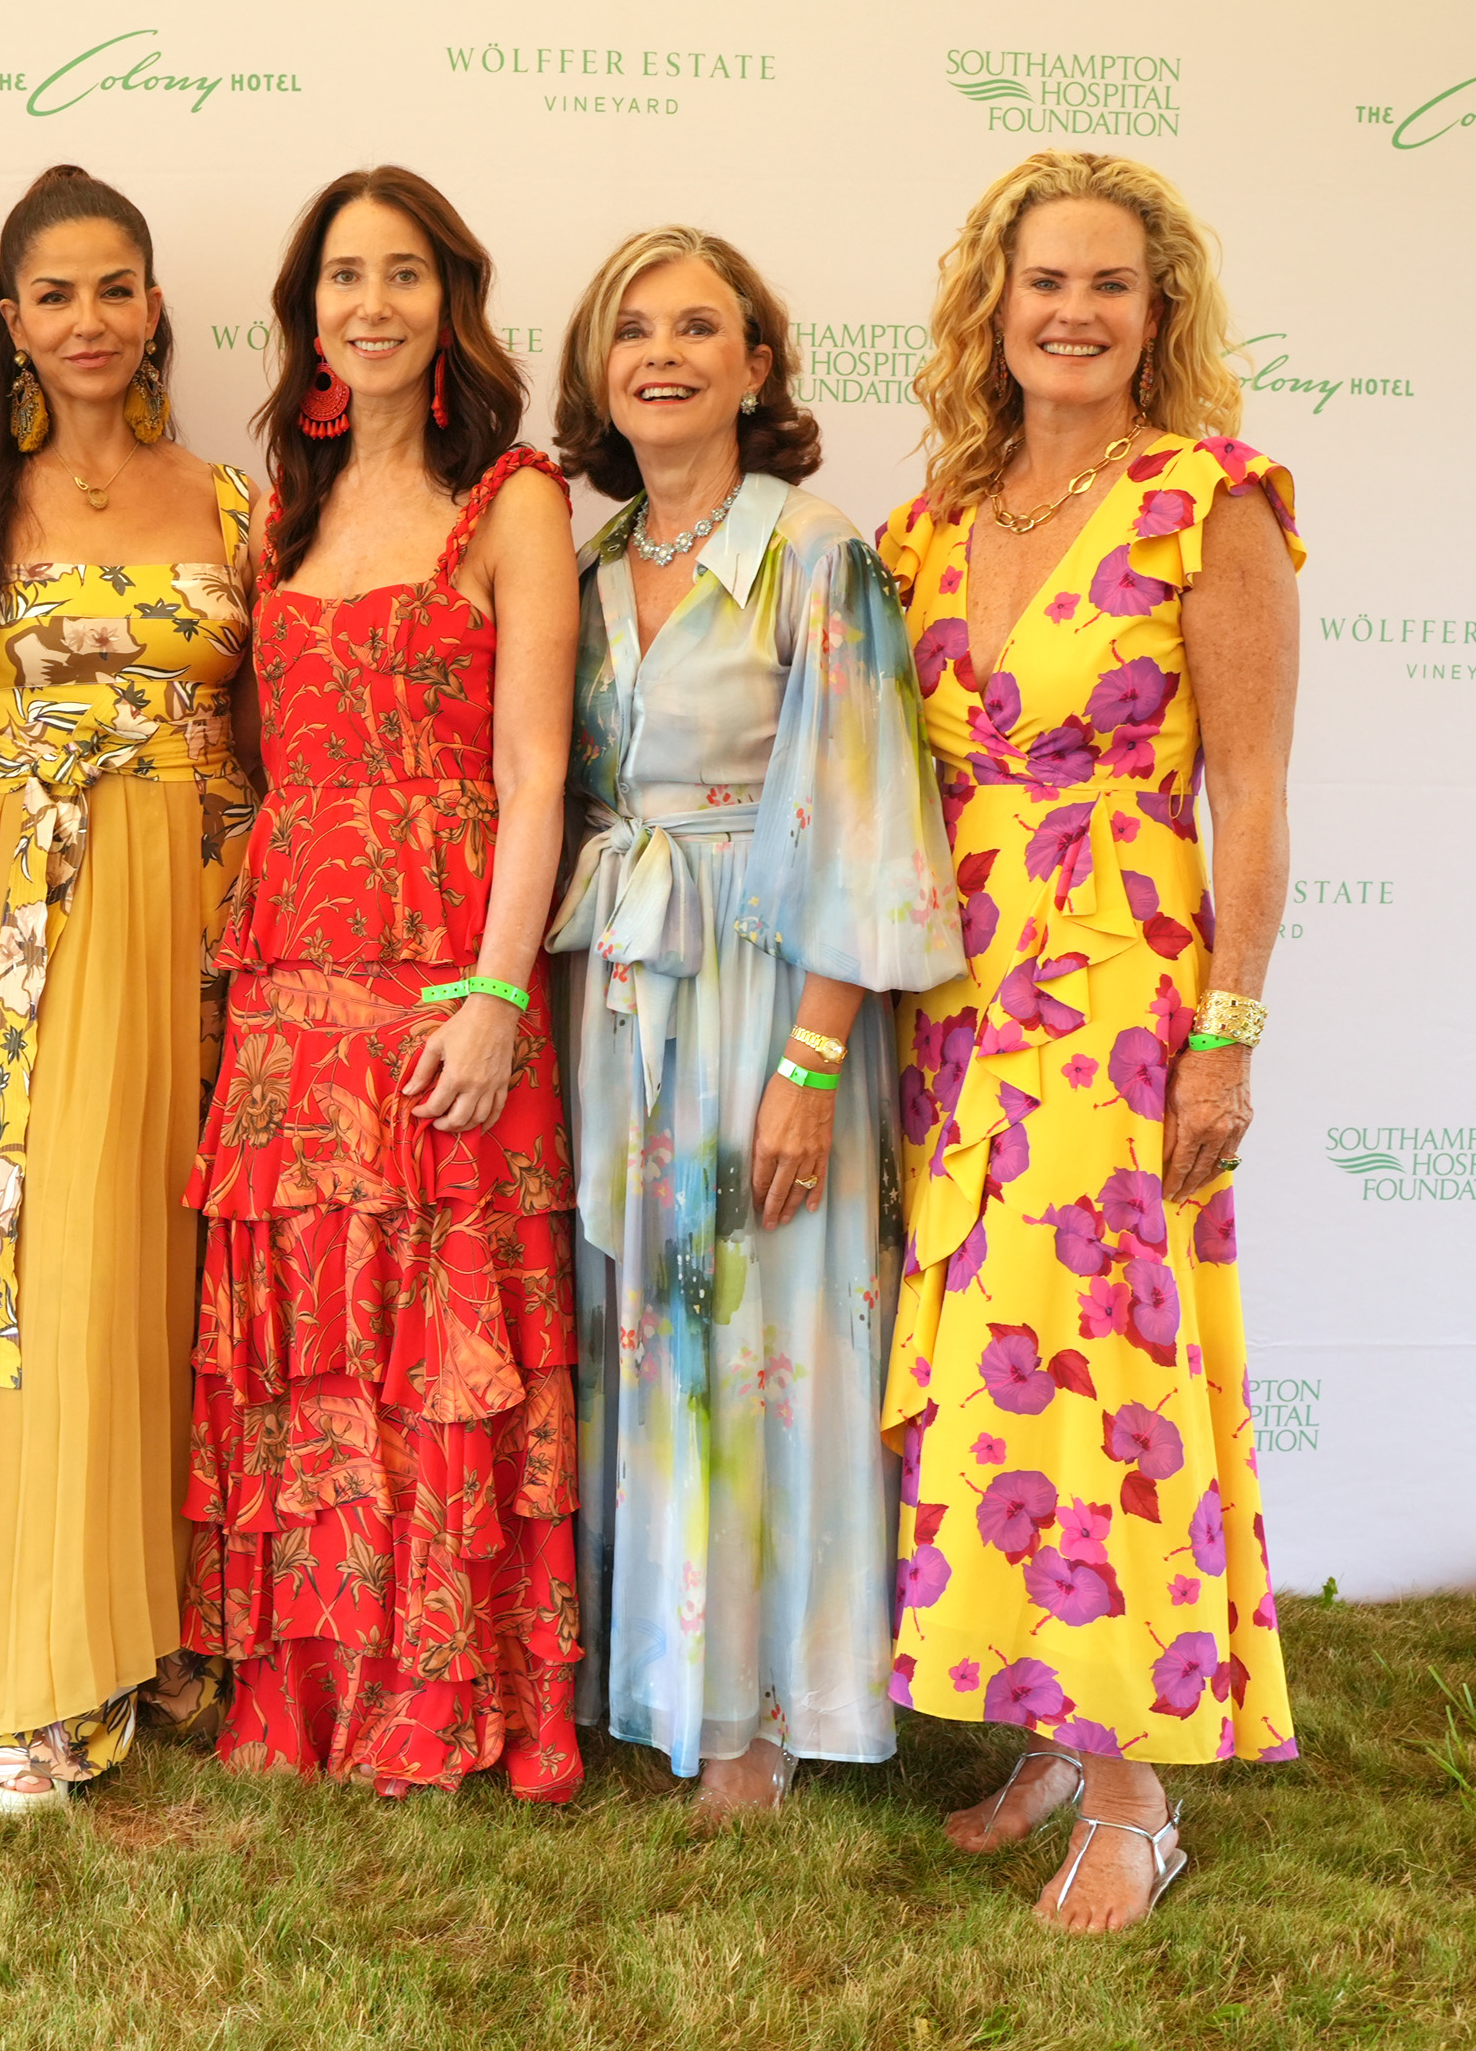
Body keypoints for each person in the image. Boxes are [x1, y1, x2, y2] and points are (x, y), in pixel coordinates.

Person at [877, 151, 1302, 1931]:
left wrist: (1227, 1033)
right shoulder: (931, 516)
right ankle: (1051, 1718)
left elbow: (1255, 797)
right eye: (1042, 280)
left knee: (1097, 1374)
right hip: (947, 989)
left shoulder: (1212, 502)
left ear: (1158, 312)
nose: (1071, 311)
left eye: (1109, 285)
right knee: (986, 1368)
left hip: (1116, 985)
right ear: (992, 302)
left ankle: (1135, 1797)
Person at [544, 228, 964, 1819]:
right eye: (631, 329)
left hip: (771, 993)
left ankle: (768, 1715)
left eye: (697, 327)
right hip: (625, 993)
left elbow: (864, 821)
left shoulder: (812, 551)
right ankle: (660, 1680)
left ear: (757, 364)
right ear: (599, 369)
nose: (662, 353)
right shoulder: (584, 566)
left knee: (773, 1344)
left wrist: (806, 1062)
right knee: (645, 1338)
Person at [185, 167, 585, 1802]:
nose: (371, 302)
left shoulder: (516, 504)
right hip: (288, 995)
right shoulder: (280, 514)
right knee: (310, 1347)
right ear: (308, 319)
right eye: (342, 276)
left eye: (401, 273)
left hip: (442, 987)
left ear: (450, 301)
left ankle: (457, 1691)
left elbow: (540, 769)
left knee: (439, 1338)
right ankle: (306, 1684)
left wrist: (496, 997)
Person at [0, 165, 253, 1811]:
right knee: (38, 1263)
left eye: (115, 288)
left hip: (196, 905)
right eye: (54, 295)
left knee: (170, 1260)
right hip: (39, 907)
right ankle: (30, 1659)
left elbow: (260, 743)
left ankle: (157, 1621)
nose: (88, 321)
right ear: (9, 323)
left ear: (154, 305)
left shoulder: (232, 501)